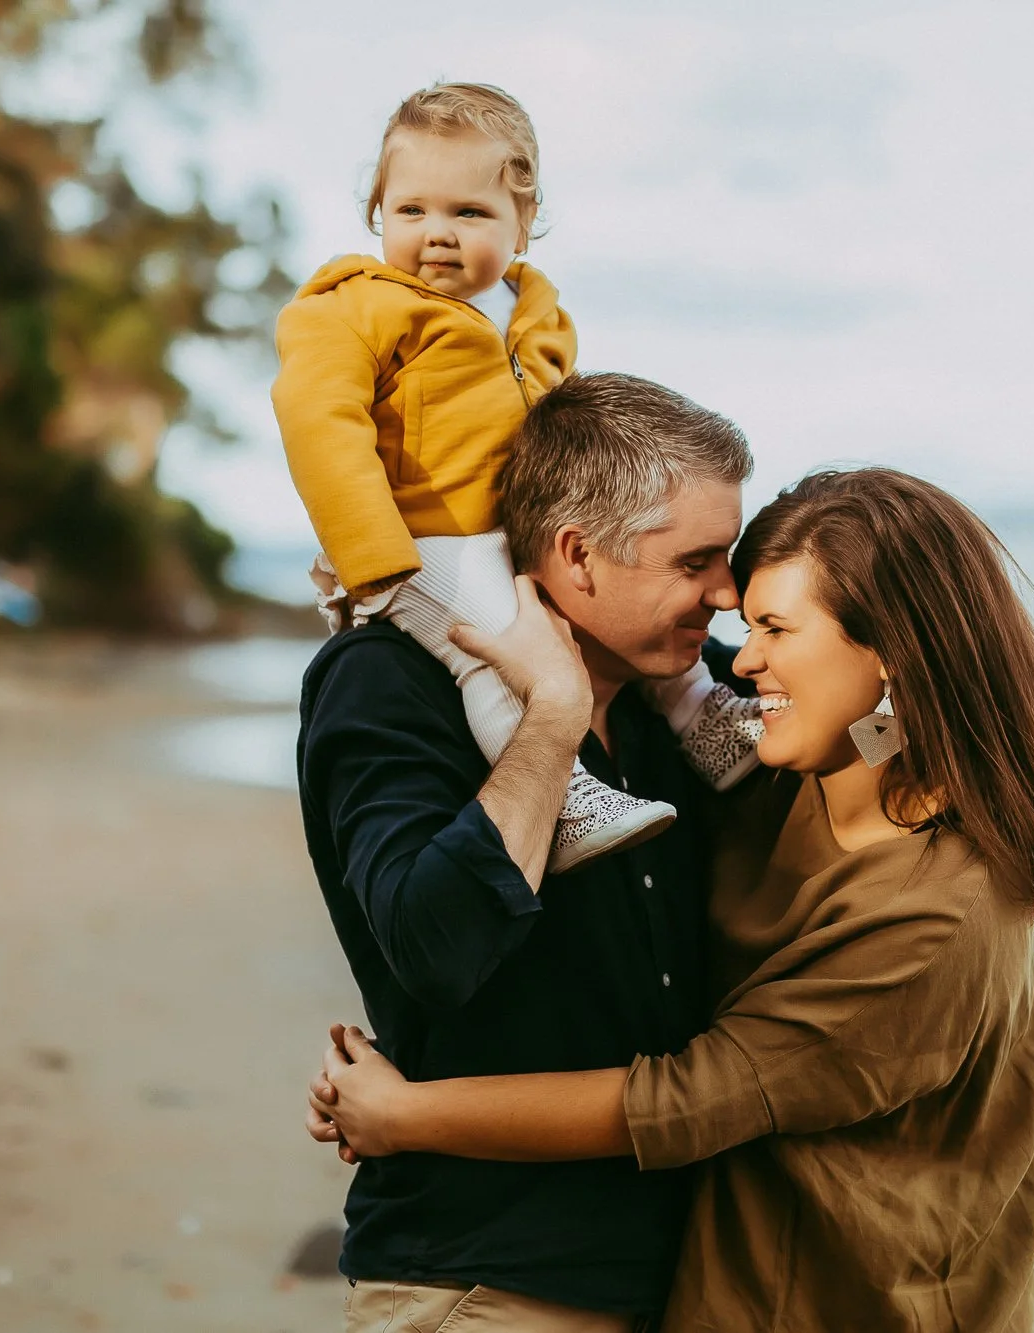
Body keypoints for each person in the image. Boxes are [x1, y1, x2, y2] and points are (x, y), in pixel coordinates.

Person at [309, 468, 1034, 1333]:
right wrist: (405, 578)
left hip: (858, 1301)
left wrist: (406, 1112)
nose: (742, 652)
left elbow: (688, 1098)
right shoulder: (772, 777)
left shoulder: (939, 907)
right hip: (689, 1284)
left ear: (891, 652)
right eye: (743, 618)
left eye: (774, 626)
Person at [296, 371, 757, 1331]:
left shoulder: (691, 699)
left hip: (693, 1276)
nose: (728, 593)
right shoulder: (387, 684)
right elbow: (437, 949)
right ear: (578, 554)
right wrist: (550, 724)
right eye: (697, 562)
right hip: (489, 1281)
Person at [271, 81, 760, 872]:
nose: (437, 235)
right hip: (423, 541)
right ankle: (561, 797)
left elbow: (577, 432)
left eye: (469, 213)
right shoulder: (351, 310)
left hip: (514, 530)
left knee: (625, 627)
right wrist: (370, 553)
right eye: (412, 211)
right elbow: (318, 420)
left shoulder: (535, 313)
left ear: (524, 224)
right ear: (377, 213)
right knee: (498, 648)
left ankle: (705, 721)